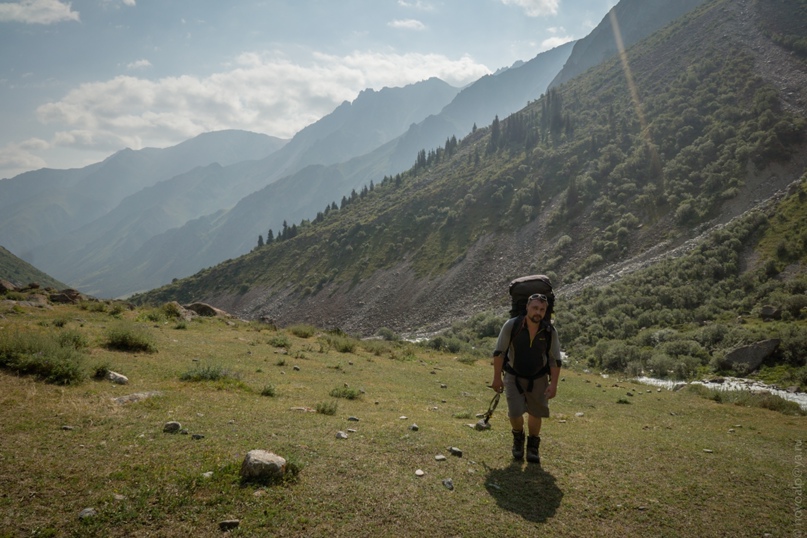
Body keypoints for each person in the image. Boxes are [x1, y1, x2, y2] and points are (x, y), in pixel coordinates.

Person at [491, 293, 561, 464]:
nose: (538, 312)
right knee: (515, 412)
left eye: (542, 309)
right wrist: (497, 378)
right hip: (513, 376)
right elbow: (499, 353)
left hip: (539, 378)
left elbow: (555, 360)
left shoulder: (549, 331)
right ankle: (518, 438)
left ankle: (533, 447)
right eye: (535, 308)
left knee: (536, 413)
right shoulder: (512, 325)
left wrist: (554, 385)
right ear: (527, 307)